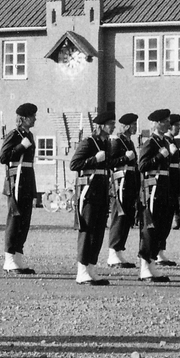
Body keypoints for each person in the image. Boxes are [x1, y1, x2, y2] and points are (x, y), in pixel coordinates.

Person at [69, 112, 114, 285]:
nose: (113, 127)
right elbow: (75, 164)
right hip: (89, 192)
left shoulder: (107, 143)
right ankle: (82, 270)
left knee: (99, 231)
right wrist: (94, 160)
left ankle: (91, 268)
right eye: (110, 123)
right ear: (101, 126)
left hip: (102, 190)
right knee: (87, 231)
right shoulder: (88, 142)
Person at [0, 102, 39, 274]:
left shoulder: (29, 135)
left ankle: (18, 257)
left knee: (25, 221)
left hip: (27, 180)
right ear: (22, 119)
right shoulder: (14, 135)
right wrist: (21, 146)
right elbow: (4, 157)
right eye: (32, 116)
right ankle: (9, 258)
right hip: (16, 182)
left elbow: (30, 165)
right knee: (15, 220)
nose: (35, 119)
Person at [136, 109, 174, 283]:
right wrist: (160, 156)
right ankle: (145, 267)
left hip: (164, 188)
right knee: (150, 228)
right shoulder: (150, 143)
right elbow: (142, 165)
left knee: (162, 227)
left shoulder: (164, 141)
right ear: (157, 124)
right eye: (165, 121)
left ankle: (151, 263)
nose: (168, 124)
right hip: (153, 190)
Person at [105, 113, 140, 269]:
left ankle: (119, 251)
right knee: (119, 217)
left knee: (126, 218)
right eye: (133, 124)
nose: (135, 127)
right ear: (126, 126)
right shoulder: (116, 142)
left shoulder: (129, 142)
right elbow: (109, 162)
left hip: (130, 182)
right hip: (121, 184)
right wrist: (125, 158)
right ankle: (113, 252)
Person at [156, 113, 180, 267]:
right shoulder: (164, 141)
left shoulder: (170, 141)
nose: (179, 128)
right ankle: (157, 251)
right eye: (177, 125)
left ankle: (160, 250)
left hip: (173, 181)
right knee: (162, 218)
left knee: (167, 219)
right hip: (165, 182)